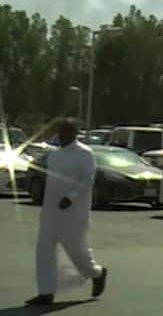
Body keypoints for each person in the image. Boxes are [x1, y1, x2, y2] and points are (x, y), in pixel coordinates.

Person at [27, 118, 108, 306]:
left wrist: (70, 197)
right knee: (44, 249)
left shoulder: (85, 154)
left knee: (77, 252)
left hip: (74, 213)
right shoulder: (54, 155)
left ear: (73, 134)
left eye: (64, 133)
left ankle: (97, 273)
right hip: (50, 212)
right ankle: (45, 293)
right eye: (59, 133)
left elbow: (87, 181)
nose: (60, 136)